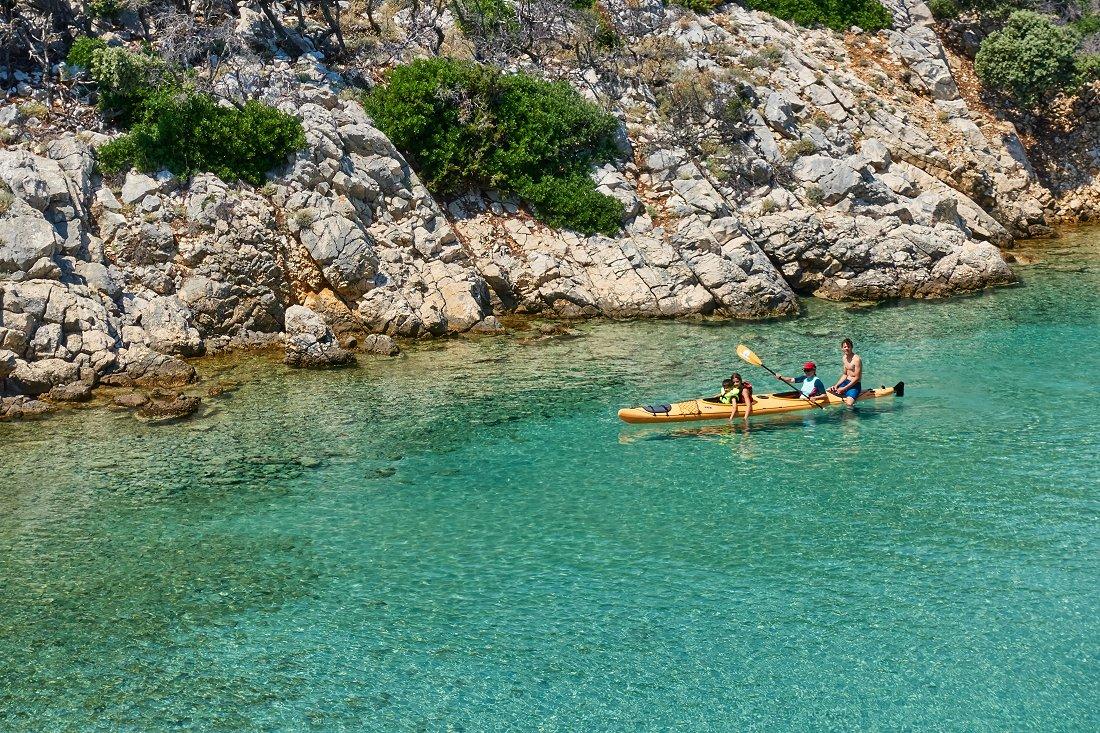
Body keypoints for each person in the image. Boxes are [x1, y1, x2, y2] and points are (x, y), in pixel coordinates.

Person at [829, 338, 863, 406]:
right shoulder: (844, 358)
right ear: (842, 348)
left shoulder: (856, 359)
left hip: (854, 385)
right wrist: (836, 385)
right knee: (829, 390)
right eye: (845, 347)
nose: (847, 348)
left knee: (849, 404)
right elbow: (845, 375)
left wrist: (844, 389)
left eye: (848, 347)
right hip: (846, 383)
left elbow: (857, 378)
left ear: (851, 347)